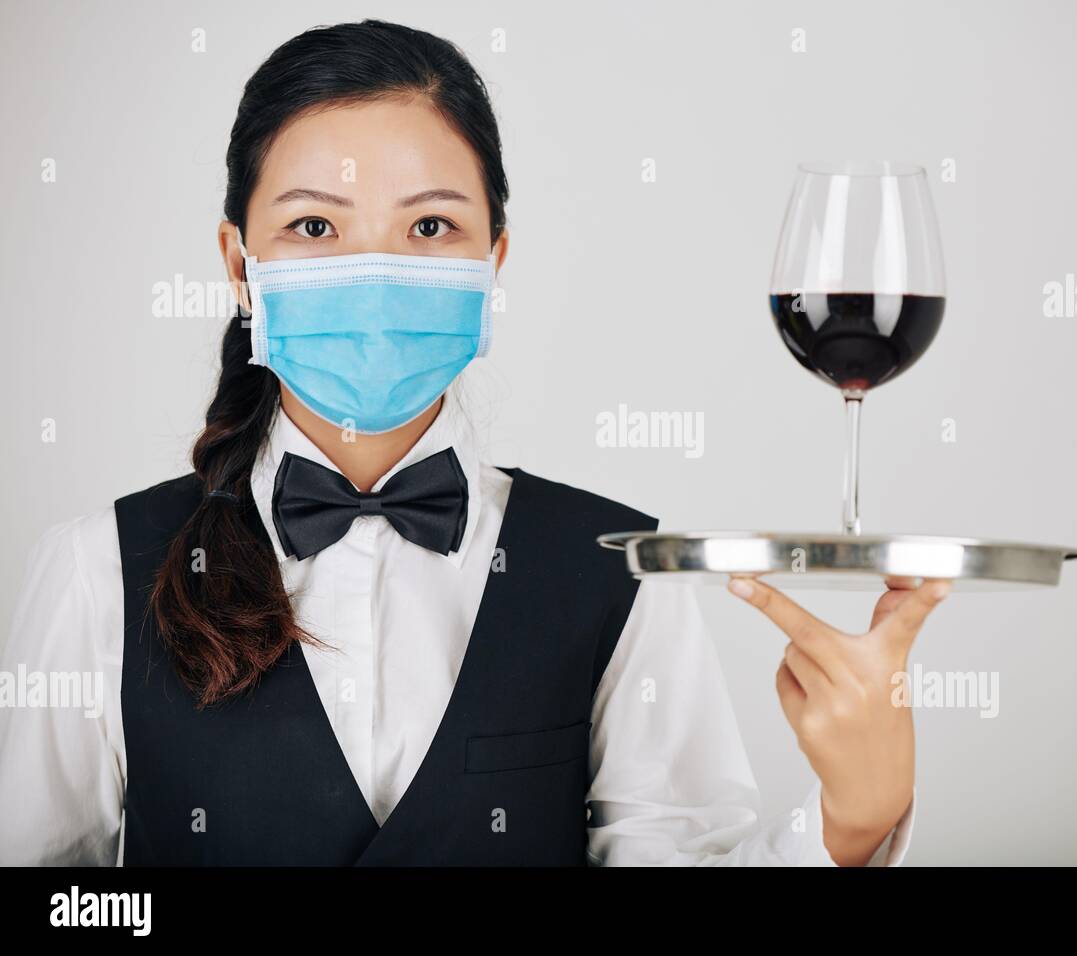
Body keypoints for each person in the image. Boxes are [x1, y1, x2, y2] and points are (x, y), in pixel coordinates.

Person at [0, 19, 947, 867]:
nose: (375, 270)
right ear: (238, 266)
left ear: (494, 259)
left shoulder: (621, 574)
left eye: (430, 224)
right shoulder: (95, 574)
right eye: (314, 225)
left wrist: (852, 821)